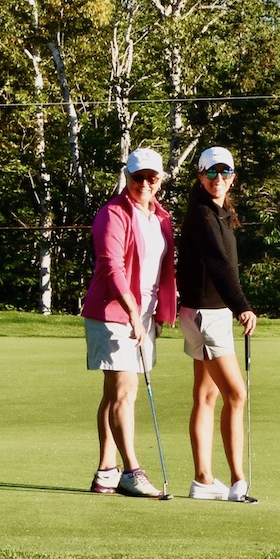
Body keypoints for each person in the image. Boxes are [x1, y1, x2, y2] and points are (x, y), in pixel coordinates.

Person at [80, 147, 178, 498]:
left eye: (152, 178)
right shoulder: (112, 214)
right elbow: (111, 267)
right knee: (124, 392)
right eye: (138, 178)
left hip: (144, 316)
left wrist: (158, 313)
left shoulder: (161, 218)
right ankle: (132, 471)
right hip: (113, 314)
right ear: (127, 177)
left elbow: (162, 271)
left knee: (114, 395)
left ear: (160, 180)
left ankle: (107, 469)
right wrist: (134, 313)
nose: (145, 184)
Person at [177, 145, 258, 502]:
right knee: (236, 394)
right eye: (212, 173)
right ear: (200, 177)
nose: (218, 179)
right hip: (207, 315)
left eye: (225, 173)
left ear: (233, 178)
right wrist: (242, 305)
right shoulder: (202, 215)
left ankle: (203, 481)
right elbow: (218, 263)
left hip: (205, 314)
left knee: (206, 395)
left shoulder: (219, 211)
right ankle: (237, 481)